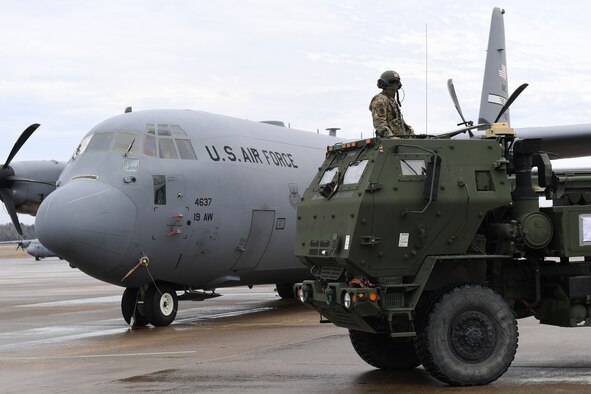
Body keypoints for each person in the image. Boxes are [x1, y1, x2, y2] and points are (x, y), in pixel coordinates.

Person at [369, 70, 414, 138]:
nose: (394, 85)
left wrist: (412, 135)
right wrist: (391, 137)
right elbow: (379, 123)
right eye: (392, 82)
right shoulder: (380, 100)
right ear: (383, 84)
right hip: (388, 143)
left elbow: (400, 123)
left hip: (399, 141)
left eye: (396, 83)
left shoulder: (392, 101)